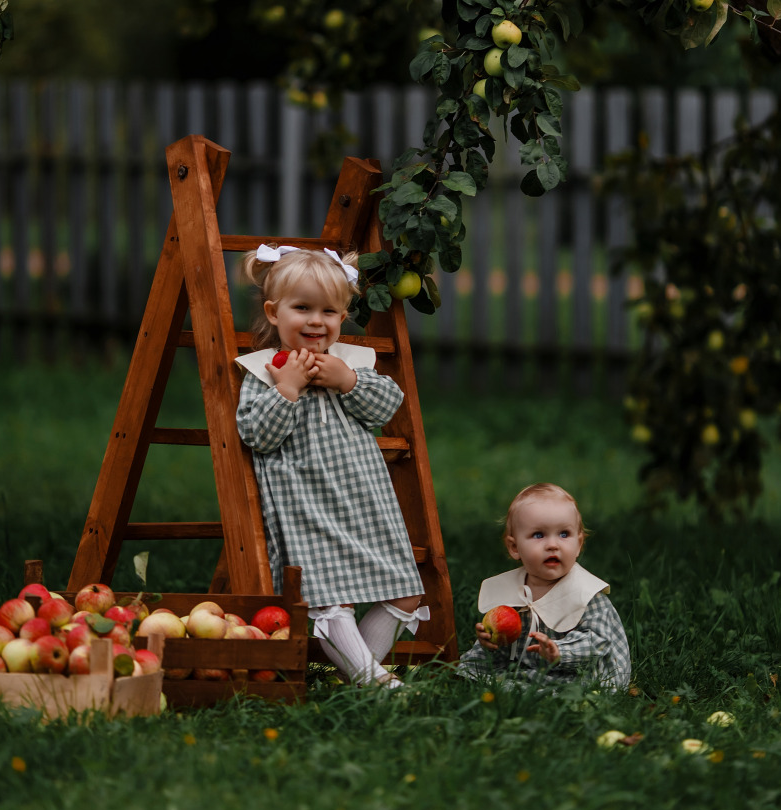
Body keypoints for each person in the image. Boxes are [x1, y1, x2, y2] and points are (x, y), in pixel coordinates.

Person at [235, 244, 429, 689]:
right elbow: (257, 435)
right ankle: (373, 684)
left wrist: (349, 381)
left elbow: (386, 406)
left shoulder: (353, 364)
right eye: (302, 308)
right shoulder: (263, 372)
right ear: (273, 312)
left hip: (364, 504)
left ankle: (350, 677)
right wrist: (287, 389)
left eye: (328, 311)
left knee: (405, 589)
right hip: (305, 507)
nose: (316, 321)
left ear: (343, 317)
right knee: (328, 600)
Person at [458, 483, 630, 690]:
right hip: (529, 664)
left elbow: (598, 641)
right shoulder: (512, 590)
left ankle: (526, 686)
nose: (552, 545)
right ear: (514, 547)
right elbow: (510, 641)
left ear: (579, 544)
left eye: (564, 534)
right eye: (539, 535)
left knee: (579, 686)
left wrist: (559, 651)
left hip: (579, 668)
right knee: (474, 668)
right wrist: (490, 641)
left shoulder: (585, 593)